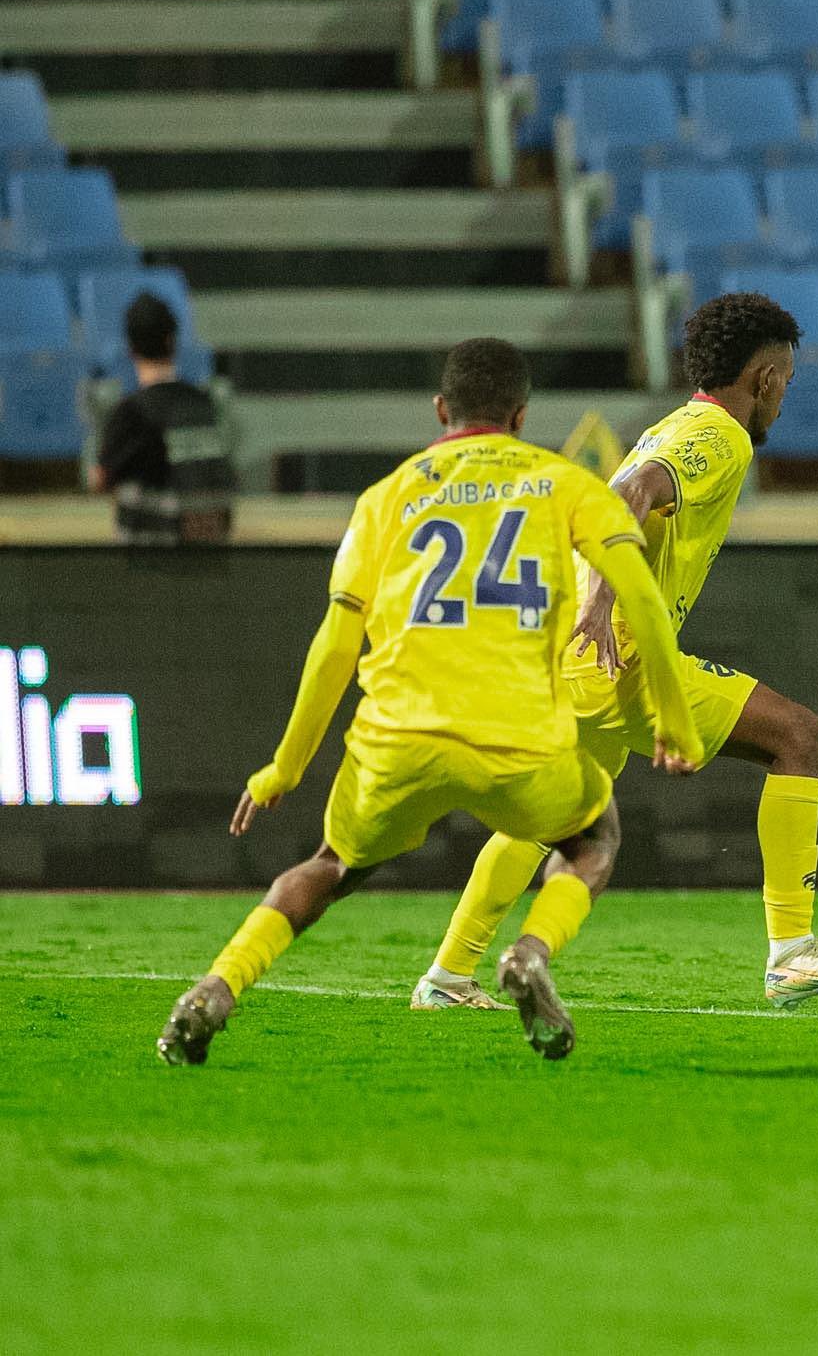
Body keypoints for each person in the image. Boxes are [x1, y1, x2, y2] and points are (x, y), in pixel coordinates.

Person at [156, 338, 705, 1066]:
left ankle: (217, 986)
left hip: (398, 737)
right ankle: (531, 952)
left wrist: (284, 768)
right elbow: (638, 594)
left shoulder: (385, 499)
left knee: (331, 866)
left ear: (441, 409)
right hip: (518, 738)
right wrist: (673, 718)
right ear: (521, 415)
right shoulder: (567, 484)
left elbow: (335, 645)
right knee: (594, 837)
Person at [412, 294, 818, 1012]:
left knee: (540, 822)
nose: (784, 396)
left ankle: (447, 977)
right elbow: (629, 493)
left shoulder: (672, 424)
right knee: (800, 736)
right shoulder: (718, 434)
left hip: (565, 655)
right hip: (617, 654)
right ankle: (791, 954)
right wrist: (602, 605)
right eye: (785, 381)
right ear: (763, 378)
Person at [90, 292, 233, 544]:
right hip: (213, 546)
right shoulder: (205, 404)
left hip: (157, 552)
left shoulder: (132, 412)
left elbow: (99, 481)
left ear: (131, 348)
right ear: (172, 341)